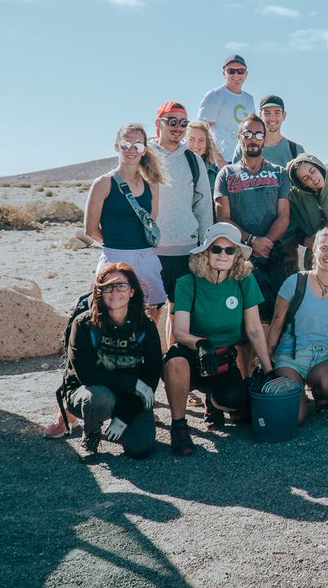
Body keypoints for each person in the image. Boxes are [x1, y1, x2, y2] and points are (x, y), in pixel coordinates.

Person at [162, 223, 272, 455]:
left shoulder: (244, 281)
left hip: (222, 358)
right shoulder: (187, 282)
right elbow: (180, 331)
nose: (223, 254)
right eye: (216, 249)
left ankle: (213, 403)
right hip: (193, 353)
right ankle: (179, 426)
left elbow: (253, 329)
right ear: (205, 252)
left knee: (235, 399)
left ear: (237, 255)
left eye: (229, 250)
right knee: (174, 361)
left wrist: (269, 370)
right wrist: (200, 343)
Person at [58, 262, 162, 459]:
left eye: (121, 285)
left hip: (130, 396)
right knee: (100, 398)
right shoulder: (84, 324)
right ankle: (91, 433)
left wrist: (125, 416)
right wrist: (133, 383)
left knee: (140, 448)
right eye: (108, 286)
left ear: (132, 291)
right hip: (90, 392)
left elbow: (151, 374)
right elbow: (87, 375)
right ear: (99, 292)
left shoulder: (145, 325)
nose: (115, 292)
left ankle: (120, 421)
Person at [268, 227, 328, 417]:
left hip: (324, 357)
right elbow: (276, 323)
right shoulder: (295, 282)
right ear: (314, 250)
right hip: (291, 357)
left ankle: (317, 388)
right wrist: (267, 363)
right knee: (296, 417)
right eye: (323, 248)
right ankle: (297, 389)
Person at [83, 123, 168, 313]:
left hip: (146, 258)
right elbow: (90, 229)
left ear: (144, 150)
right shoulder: (103, 183)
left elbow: (150, 220)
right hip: (114, 259)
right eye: (125, 144)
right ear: (116, 146)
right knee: (110, 312)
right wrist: (117, 244)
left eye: (137, 145)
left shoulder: (151, 184)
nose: (131, 150)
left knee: (151, 312)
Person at [214, 114, 290, 323]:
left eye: (258, 134)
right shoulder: (226, 174)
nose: (253, 138)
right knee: (242, 319)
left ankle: (269, 357)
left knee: (277, 316)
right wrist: (251, 241)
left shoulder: (279, 173)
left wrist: (266, 243)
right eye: (248, 133)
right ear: (240, 137)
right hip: (239, 255)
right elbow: (223, 218)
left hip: (273, 255)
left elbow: (284, 215)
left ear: (264, 139)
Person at [150, 101, 214, 344]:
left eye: (183, 123)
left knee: (179, 314)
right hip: (151, 250)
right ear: (159, 124)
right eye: (172, 121)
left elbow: (203, 206)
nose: (178, 128)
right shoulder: (145, 156)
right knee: (150, 311)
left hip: (185, 251)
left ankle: (172, 367)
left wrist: (204, 247)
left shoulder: (192, 160)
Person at [197, 54, 255, 164]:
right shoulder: (214, 96)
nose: (236, 74)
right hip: (219, 162)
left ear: (246, 74)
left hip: (243, 161)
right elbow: (201, 130)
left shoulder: (249, 99)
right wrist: (219, 159)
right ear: (223, 73)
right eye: (231, 71)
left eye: (241, 71)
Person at [232, 94, 305, 165]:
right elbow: (234, 174)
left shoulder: (295, 150)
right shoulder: (244, 146)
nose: (272, 118)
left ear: (284, 115)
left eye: (277, 113)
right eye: (267, 113)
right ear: (260, 115)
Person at [185, 119, 226, 185]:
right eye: (191, 139)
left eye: (201, 140)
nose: (196, 145)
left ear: (207, 144)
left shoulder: (214, 171)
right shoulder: (177, 167)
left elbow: (230, 177)